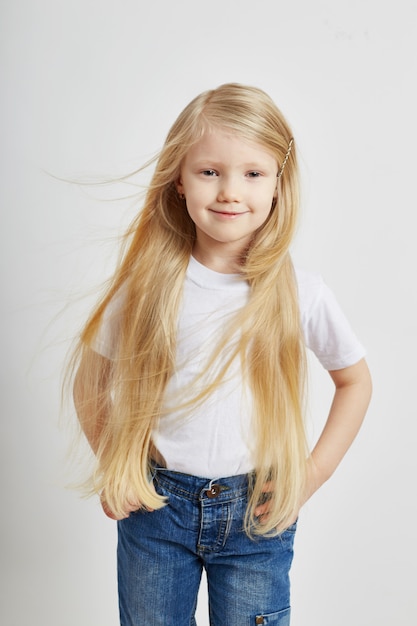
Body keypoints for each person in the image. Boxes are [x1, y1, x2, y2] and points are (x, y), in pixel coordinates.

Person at [70, 83, 372, 626]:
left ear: (279, 184)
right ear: (179, 182)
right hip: (157, 508)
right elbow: (92, 376)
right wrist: (114, 462)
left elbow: (355, 381)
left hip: (256, 514)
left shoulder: (300, 291)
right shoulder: (147, 287)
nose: (230, 191)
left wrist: (312, 473)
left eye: (253, 173)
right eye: (210, 171)